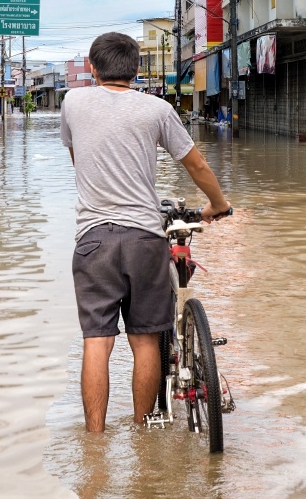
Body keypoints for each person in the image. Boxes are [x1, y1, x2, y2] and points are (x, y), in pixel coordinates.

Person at [61, 32, 231, 433]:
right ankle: (143, 430)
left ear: (91, 65)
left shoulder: (72, 102)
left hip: (93, 240)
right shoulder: (156, 109)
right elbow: (198, 166)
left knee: (97, 343)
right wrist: (218, 205)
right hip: (143, 238)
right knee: (145, 340)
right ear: (137, 69)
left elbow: (77, 158)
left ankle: (95, 442)